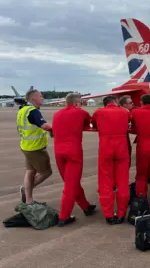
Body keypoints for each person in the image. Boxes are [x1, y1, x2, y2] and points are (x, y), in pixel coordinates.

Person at [52, 93, 96, 226]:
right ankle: (63, 216)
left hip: (58, 151)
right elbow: (90, 123)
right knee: (70, 185)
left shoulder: (57, 114)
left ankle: (85, 206)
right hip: (73, 151)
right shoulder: (80, 113)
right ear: (77, 103)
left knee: (71, 181)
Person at [91, 96, 130, 224]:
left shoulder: (99, 112)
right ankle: (121, 214)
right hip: (122, 148)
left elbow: (93, 124)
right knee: (123, 181)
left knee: (105, 182)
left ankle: (108, 215)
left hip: (105, 147)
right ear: (116, 102)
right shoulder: (125, 112)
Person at [17, 89, 53, 205]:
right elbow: (45, 126)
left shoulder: (23, 110)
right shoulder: (33, 111)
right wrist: (57, 129)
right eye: (41, 96)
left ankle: (29, 200)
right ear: (33, 98)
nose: (42, 98)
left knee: (30, 171)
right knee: (46, 172)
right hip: (36, 148)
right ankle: (26, 189)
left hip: (26, 146)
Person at [118, 95, 134, 169]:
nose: (132, 104)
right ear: (124, 105)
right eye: (130, 102)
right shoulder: (125, 113)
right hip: (123, 139)